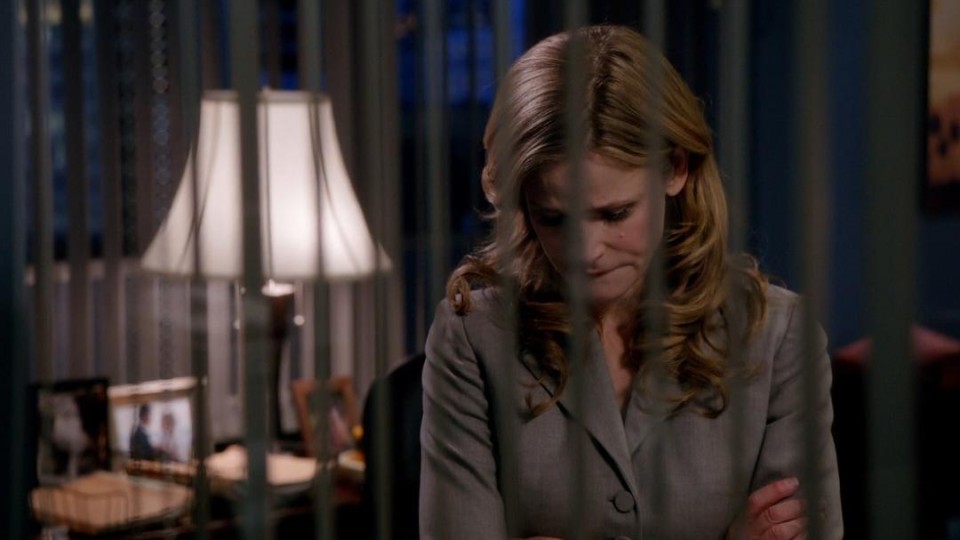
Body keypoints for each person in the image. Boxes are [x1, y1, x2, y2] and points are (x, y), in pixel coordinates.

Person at [419, 25, 842, 539]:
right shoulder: (473, 337)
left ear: (675, 169)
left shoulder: (777, 336)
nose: (586, 252)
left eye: (615, 213)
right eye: (553, 218)